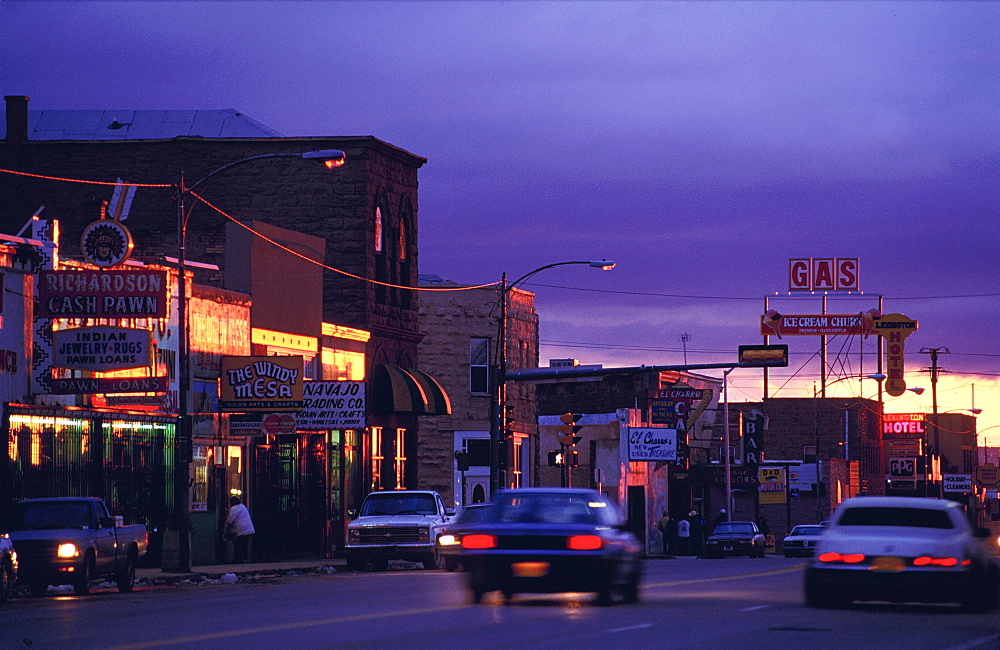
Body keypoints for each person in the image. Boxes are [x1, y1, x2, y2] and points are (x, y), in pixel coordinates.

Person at [225, 496, 255, 564]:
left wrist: (227, 524)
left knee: (238, 544)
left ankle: (238, 559)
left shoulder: (234, 509)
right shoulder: (242, 506)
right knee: (244, 543)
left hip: (241, 528)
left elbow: (230, 520)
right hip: (248, 527)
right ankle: (242, 559)